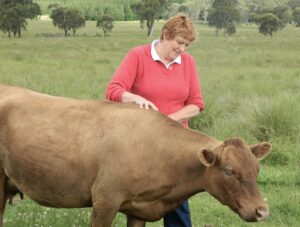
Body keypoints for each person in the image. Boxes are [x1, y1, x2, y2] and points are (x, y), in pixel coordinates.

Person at [106, 13, 204, 227]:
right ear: (165, 34)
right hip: (141, 144)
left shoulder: (187, 62)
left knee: (176, 203)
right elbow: (113, 90)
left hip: (176, 146)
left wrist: (166, 121)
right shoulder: (138, 56)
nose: (182, 49)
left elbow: (196, 104)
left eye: (186, 44)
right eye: (179, 42)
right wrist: (134, 97)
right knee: (139, 202)